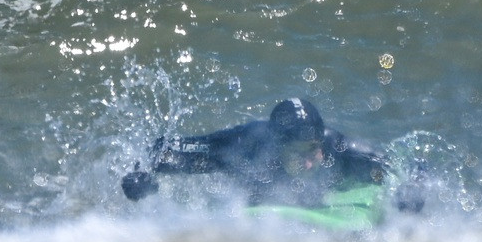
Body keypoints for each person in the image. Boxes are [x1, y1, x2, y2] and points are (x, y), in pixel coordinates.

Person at [121, 97, 390, 205]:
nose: (310, 163)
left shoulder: (338, 151)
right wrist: (142, 177)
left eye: (313, 150)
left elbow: (399, 166)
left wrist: (410, 191)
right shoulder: (244, 148)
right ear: (277, 145)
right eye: (298, 153)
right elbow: (163, 151)